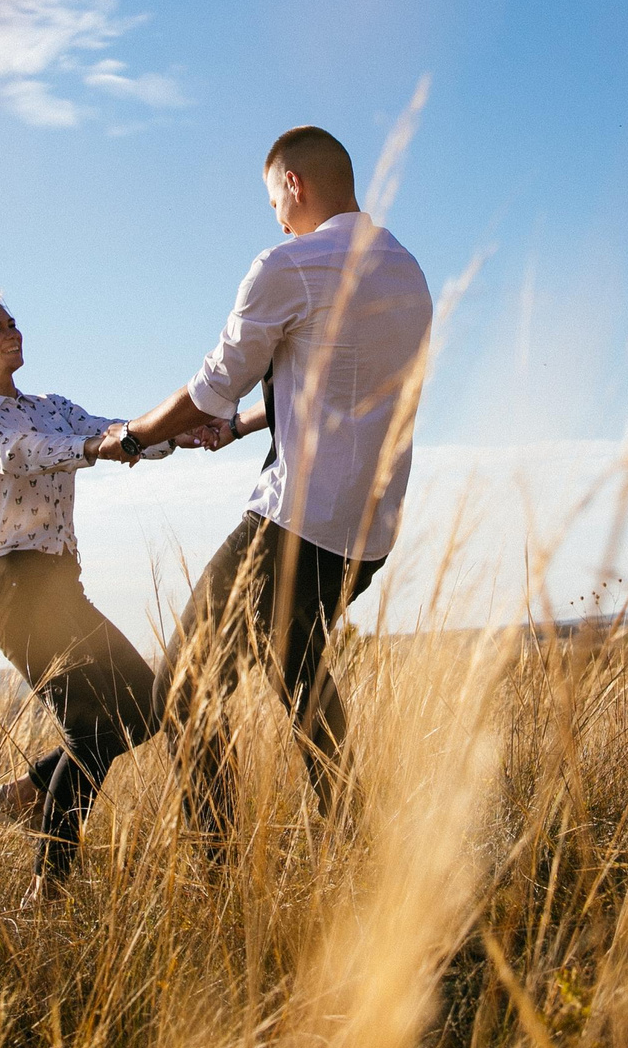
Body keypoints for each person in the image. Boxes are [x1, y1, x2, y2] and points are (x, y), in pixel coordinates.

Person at [107, 125, 435, 839]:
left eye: (274, 204)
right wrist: (247, 426)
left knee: (182, 694)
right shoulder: (406, 268)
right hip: (367, 535)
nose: (277, 220)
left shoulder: (290, 263)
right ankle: (354, 838)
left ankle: (224, 875)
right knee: (300, 676)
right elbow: (339, 382)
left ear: (294, 185)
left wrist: (134, 435)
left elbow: (210, 385)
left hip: (293, 524)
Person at [0, 292, 222, 894]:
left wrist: (193, 430)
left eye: (13, 323)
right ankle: (50, 887)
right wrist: (100, 449)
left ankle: (31, 791)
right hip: (14, 592)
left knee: (145, 707)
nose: (12, 332)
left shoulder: (54, 407)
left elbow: (120, 433)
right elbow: (24, 456)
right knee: (89, 727)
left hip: (63, 586)